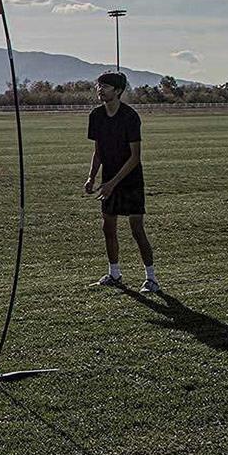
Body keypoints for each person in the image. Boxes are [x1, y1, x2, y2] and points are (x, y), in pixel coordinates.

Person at [84, 70, 160, 293]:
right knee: (108, 228)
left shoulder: (130, 116)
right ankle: (114, 273)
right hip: (109, 181)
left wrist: (113, 183)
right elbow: (98, 152)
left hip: (130, 179)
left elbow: (135, 157)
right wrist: (92, 177)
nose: (100, 90)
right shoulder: (96, 116)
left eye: (105, 86)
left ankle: (151, 278)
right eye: (99, 85)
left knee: (137, 230)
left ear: (117, 91)